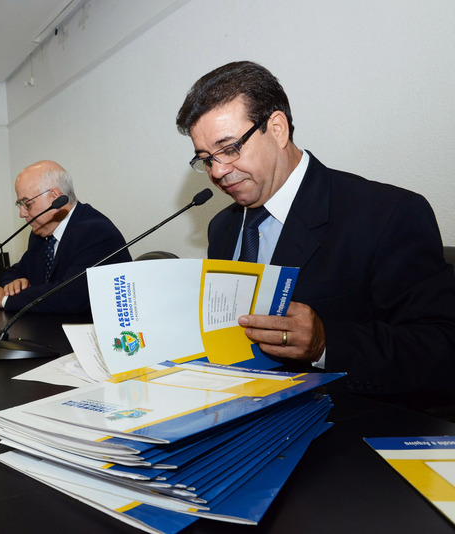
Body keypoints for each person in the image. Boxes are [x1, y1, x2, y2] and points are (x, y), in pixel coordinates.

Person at [175, 61, 455, 397]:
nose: (218, 171)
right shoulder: (222, 228)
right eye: (207, 158)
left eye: (230, 148)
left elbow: (441, 349)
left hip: (346, 418)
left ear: (277, 129)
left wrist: (325, 343)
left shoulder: (387, 213)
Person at [0, 160, 131, 314]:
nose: (22, 214)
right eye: (20, 205)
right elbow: (15, 271)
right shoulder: (41, 233)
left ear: (55, 197)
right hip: (48, 324)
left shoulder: (95, 232)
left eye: (27, 204)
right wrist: (13, 285)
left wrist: (6, 299)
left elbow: (70, 297)